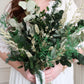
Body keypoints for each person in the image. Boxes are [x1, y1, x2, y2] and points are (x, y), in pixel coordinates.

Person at [0, 0, 81, 84]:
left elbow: (80, 46)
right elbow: (1, 46)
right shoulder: (16, 5)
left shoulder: (66, 4)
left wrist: (60, 67)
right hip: (24, 78)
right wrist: (22, 70)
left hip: (57, 78)